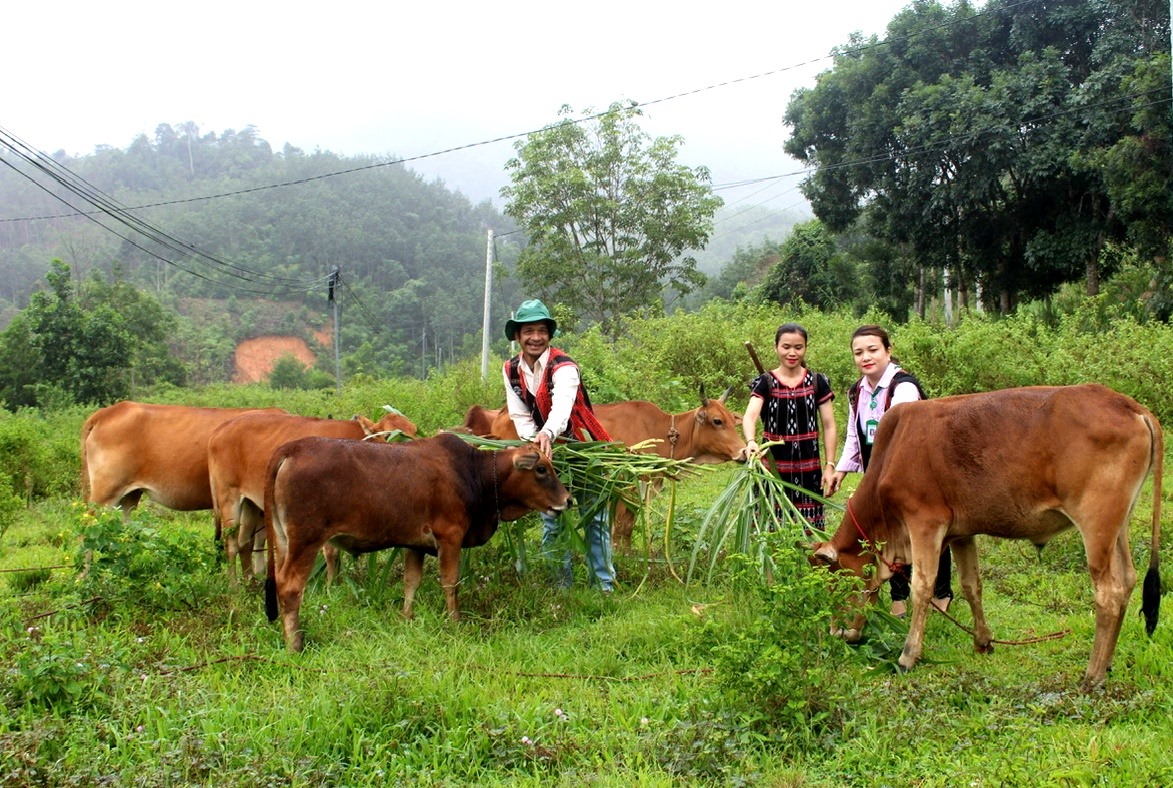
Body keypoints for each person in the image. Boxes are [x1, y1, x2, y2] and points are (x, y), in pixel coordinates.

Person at [827, 324, 953, 617]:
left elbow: (903, 438)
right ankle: (899, 595)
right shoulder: (856, 391)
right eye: (858, 353)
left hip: (912, 469)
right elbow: (854, 435)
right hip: (878, 470)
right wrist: (841, 471)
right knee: (888, 533)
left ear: (888, 350)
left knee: (929, 527)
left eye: (872, 350)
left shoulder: (903, 386)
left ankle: (941, 593)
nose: (865, 357)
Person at [502, 299, 615, 592]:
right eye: (528, 331)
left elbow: (562, 407)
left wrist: (548, 434)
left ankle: (603, 586)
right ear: (518, 336)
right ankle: (559, 588)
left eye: (541, 330)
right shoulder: (511, 369)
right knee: (552, 518)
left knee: (595, 518)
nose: (535, 337)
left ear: (549, 335)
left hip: (582, 448)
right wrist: (533, 443)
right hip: (546, 454)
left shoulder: (564, 367)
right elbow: (518, 412)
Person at [741, 322, 837, 533]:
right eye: (786, 347)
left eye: (798, 347)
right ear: (776, 347)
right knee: (771, 531)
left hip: (809, 470)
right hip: (773, 470)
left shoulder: (817, 382)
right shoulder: (765, 382)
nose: (792, 353)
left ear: (805, 348)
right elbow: (750, 417)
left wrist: (830, 465)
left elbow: (829, 426)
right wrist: (750, 441)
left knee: (809, 534)